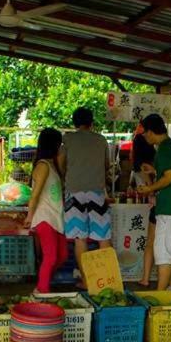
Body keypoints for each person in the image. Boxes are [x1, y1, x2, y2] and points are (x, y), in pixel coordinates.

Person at [58, 107, 111, 289]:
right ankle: (105, 280)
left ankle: (87, 281)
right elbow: (107, 165)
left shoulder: (68, 139)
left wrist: (67, 175)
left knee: (80, 238)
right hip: (97, 192)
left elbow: (60, 163)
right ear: (91, 122)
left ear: (74, 122)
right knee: (103, 237)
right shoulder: (101, 140)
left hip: (74, 193)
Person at [136, 113, 171, 291]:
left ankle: (160, 295)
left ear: (151, 132)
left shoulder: (165, 149)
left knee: (164, 253)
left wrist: (149, 189)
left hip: (169, 208)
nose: (144, 137)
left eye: (144, 133)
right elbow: (170, 173)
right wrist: (154, 169)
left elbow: (170, 177)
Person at [24, 128, 68, 295]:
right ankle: (41, 290)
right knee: (51, 257)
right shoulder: (43, 166)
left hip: (56, 217)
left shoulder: (53, 164)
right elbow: (34, 195)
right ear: (54, 144)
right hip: (44, 217)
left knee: (61, 256)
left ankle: (43, 281)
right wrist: (30, 216)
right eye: (60, 143)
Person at [131, 128, 158, 287]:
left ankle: (146, 278)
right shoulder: (155, 161)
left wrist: (146, 189)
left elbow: (151, 188)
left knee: (150, 243)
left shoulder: (143, 165)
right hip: (163, 206)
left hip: (156, 206)